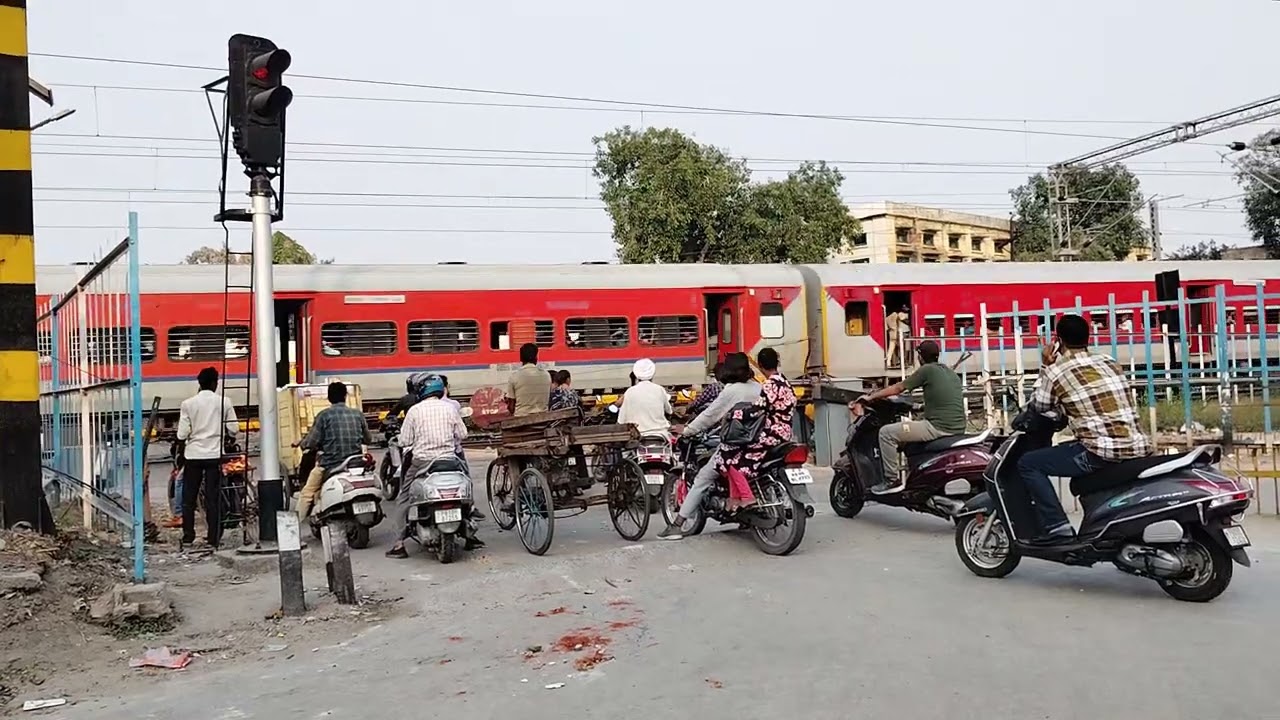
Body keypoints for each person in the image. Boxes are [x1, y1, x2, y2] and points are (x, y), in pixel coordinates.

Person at [1020, 314, 1153, 544]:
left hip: (1100, 452)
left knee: (1029, 463)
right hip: (1138, 445)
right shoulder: (1109, 361)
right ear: (1088, 337)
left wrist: (1046, 365)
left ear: (1057, 341)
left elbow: (1039, 406)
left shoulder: (1056, 371)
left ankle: (1056, 527)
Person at [658, 352, 762, 540]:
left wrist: (687, 430)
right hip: (759, 445)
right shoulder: (758, 387)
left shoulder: (731, 391)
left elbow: (709, 416)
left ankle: (677, 525)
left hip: (737, 446)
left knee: (702, 479)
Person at [853, 339, 966, 494]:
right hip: (957, 427)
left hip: (938, 428)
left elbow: (899, 387)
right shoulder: (950, 372)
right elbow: (942, 400)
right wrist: (919, 407)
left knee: (886, 433)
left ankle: (891, 480)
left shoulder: (926, 370)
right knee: (908, 434)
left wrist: (871, 397)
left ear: (920, 356)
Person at [387, 373, 476, 558]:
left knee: (404, 496)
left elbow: (404, 441)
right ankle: (470, 536)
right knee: (467, 487)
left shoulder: (415, 411)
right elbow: (463, 434)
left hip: (422, 462)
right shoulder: (450, 408)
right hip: (449, 461)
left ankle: (398, 544)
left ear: (422, 391)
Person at [175, 367, 239, 547]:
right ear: (214, 383)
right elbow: (234, 429)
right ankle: (213, 538)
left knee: (189, 497)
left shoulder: (188, 404)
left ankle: (188, 536)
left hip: (193, 456)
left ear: (199, 383)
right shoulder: (224, 402)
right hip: (214, 455)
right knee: (213, 498)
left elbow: (182, 434)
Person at [296, 382, 373, 525]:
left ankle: (293, 529)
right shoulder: (357, 414)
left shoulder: (324, 416)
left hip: (331, 464)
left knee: (307, 492)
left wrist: (301, 444)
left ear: (329, 398)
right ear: (345, 396)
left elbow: (311, 442)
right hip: (354, 463)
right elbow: (368, 439)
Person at [618, 359, 672, 438]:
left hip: (638, 435)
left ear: (636, 375)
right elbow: (669, 411)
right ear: (653, 374)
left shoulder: (630, 392)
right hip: (661, 434)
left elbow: (621, 420)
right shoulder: (659, 389)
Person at [506, 343, 551, 417]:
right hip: (543, 421)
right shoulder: (547, 375)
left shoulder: (514, 376)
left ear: (521, 358)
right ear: (536, 358)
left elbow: (511, 408)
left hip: (521, 422)